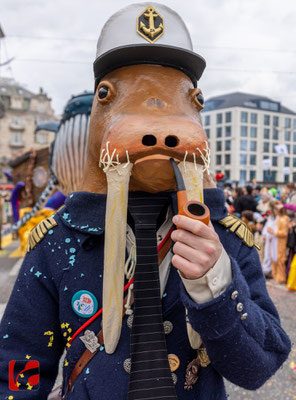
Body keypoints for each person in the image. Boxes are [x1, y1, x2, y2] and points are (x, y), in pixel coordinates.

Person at [0, 3, 290, 400]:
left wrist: (217, 282)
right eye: (109, 95)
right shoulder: (56, 243)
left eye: (189, 100)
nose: (157, 125)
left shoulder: (227, 239)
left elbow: (258, 368)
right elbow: (19, 368)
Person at [266, 203, 290, 283]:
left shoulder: (284, 219)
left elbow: (284, 232)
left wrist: (274, 232)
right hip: (275, 241)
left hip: (281, 242)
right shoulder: (279, 218)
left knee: (280, 260)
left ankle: (281, 277)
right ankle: (275, 275)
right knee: (274, 258)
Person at [262, 201, 279, 278]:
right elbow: (266, 226)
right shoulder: (270, 217)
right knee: (267, 254)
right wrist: (265, 234)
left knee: (274, 254)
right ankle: (266, 270)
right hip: (269, 238)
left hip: (275, 238)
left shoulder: (278, 218)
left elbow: (277, 228)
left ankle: (272, 271)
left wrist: (273, 234)